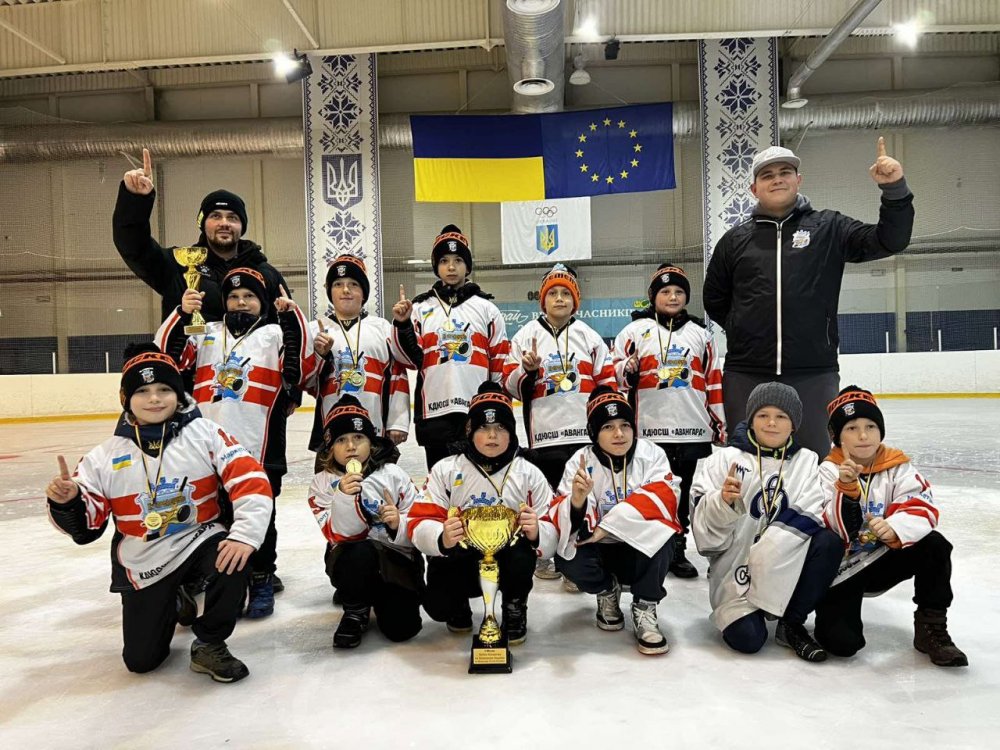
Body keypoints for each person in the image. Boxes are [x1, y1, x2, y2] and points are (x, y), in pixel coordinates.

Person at [45, 343, 272, 683]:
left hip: (199, 538)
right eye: (143, 391)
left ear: (178, 394)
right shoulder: (104, 456)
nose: (154, 399)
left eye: (164, 389)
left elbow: (251, 480)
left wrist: (244, 535)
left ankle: (210, 643)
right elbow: (87, 522)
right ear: (126, 398)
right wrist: (69, 500)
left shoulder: (206, 433)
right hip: (143, 559)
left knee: (233, 558)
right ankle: (175, 598)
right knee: (142, 661)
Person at [703, 139, 914, 457]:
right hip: (746, 372)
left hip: (813, 371)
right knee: (746, 461)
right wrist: (744, 328)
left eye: (785, 172)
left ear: (798, 180)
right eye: (767, 175)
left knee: (813, 461)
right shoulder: (735, 240)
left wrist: (894, 189)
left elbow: (889, 241)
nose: (777, 179)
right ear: (754, 188)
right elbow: (714, 297)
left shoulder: (829, 228)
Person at [155, 267, 314, 619]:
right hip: (206, 451)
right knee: (211, 517)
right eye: (234, 297)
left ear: (263, 302)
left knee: (260, 517)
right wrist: (181, 313)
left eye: (250, 297)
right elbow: (166, 357)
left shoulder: (274, 334)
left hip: (260, 447)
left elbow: (302, 368)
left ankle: (261, 576)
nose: (241, 302)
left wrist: (293, 317)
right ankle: (220, 578)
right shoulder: (206, 332)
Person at [814, 386, 967, 666]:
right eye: (852, 428)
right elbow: (829, 526)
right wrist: (845, 488)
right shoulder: (827, 471)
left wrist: (896, 527)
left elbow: (921, 504)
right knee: (841, 644)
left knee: (935, 545)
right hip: (843, 570)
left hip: (883, 558)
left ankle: (931, 627)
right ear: (837, 437)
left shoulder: (898, 466)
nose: (863, 435)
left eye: (870, 426)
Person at [690, 382, 843, 662]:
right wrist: (722, 503)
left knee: (829, 542)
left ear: (793, 424)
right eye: (763, 415)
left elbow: (812, 510)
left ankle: (791, 621)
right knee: (748, 640)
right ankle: (752, 606)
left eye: (781, 416)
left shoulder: (806, 461)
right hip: (736, 570)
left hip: (787, 564)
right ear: (751, 419)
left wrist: (767, 554)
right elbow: (704, 531)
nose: (771, 423)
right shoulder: (724, 459)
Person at [407, 382, 555, 645]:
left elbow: (552, 521)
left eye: (501, 428)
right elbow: (419, 520)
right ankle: (458, 604)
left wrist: (538, 533)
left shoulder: (528, 472)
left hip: (508, 557)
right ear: (469, 431)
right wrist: (442, 537)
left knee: (521, 550)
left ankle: (514, 604)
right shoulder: (446, 469)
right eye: (483, 428)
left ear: (512, 433)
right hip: (463, 557)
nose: (492, 436)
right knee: (438, 606)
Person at [545, 386, 683, 655]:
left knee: (665, 534)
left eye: (625, 425)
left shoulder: (652, 454)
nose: (619, 434)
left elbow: (664, 498)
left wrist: (607, 527)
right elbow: (563, 517)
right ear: (594, 433)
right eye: (608, 427)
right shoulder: (580, 461)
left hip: (639, 549)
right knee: (566, 555)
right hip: (600, 552)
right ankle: (607, 590)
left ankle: (645, 604)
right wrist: (577, 501)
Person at [503, 263, 616, 582]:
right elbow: (509, 385)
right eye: (552, 293)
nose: (559, 299)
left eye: (566, 293)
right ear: (543, 300)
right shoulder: (525, 336)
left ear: (575, 300)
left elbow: (607, 386)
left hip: (582, 438)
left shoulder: (589, 337)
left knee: (578, 498)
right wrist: (526, 371)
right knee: (546, 497)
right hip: (544, 438)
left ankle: (574, 555)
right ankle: (545, 552)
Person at [613, 263, 725, 579]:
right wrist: (626, 369)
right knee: (649, 490)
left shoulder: (701, 335)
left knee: (682, 491)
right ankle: (648, 546)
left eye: (678, 291)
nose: (672, 297)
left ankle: (677, 548)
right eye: (665, 291)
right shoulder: (634, 332)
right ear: (653, 296)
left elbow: (714, 383)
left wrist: (720, 424)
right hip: (649, 430)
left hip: (691, 429)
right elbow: (613, 374)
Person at [113, 147, 290, 324]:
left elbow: (289, 324)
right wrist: (135, 200)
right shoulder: (177, 266)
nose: (224, 223)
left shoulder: (266, 273)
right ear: (202, 224)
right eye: (215, 216)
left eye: (232, 217)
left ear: (242, 226)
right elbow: (134, 247)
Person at [307, 396, 424, 649]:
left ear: (371, 442)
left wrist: (399, 524)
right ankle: (356, 608)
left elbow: (420, 523)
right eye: (341, 440)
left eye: (358, 437)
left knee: (403, 629)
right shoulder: (322, 484)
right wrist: (344, 498)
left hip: (396, 558)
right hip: (354, 560)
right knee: (358, 550)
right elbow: (340, 535)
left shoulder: (393, 474)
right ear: (330, 448)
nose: (351, 446)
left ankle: (382, 595)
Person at [390, 225, 509, 471]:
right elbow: (410, 359)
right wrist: (403, 324)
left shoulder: (487, 309)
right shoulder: (420, 308)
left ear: (468, 266)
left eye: (458, 260)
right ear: (436, 266)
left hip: (476, 412)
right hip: (435, 416)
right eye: (444, 261)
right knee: (440, 484)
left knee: (478, 482)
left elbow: (499, 361)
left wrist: (496, 404)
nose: (451, 267)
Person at [308, 254, 410, 470]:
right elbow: (305, 380)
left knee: (378, 488)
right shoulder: (315, 329)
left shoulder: (382, 328)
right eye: (338, 284)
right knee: (331, 489)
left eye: (353, 284)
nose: (346, 290)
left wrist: (398, 421)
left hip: (375, 433)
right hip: (331, 435)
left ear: (364, 292)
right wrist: (318, 355)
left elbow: (398, 373)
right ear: (330, 291)